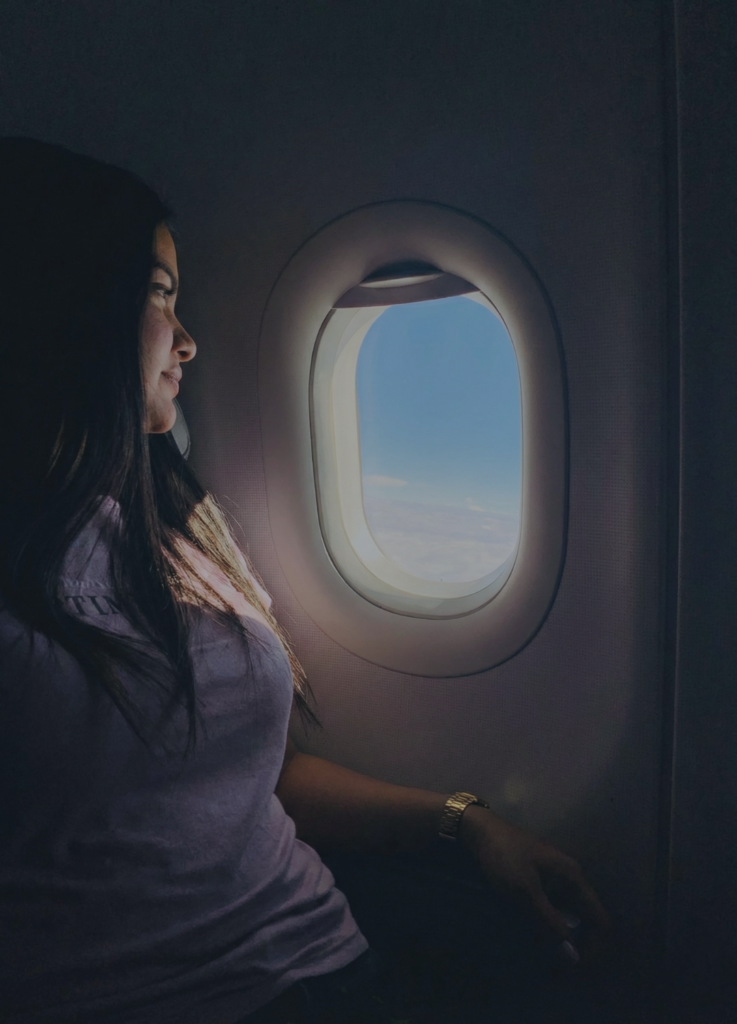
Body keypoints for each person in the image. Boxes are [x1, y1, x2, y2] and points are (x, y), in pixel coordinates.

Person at [0, 137, 610, 1024]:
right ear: (71, 310)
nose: (190, 341)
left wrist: (466, 820)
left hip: (329, 962)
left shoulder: (175, 532)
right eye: (163, 297)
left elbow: (261, 779)